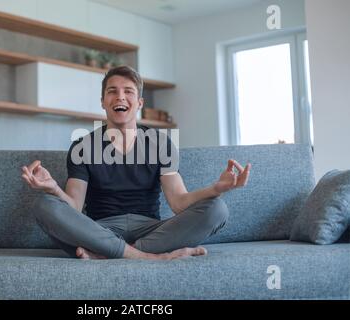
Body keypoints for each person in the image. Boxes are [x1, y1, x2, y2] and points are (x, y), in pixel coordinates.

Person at [21, 66, 251, 260]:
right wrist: (53, 188)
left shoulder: (161, 144)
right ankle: (147, 258)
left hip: (150, 229)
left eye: (128, 92)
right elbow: (74, 209)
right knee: (45, 205)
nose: (120, 97)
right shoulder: (83, 147)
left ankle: (108, 255)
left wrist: (217, 189)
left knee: (217, 209)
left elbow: (179, 203)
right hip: (100, 228)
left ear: (139, 102)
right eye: (112, 91)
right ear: (103, 102)